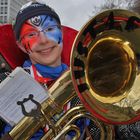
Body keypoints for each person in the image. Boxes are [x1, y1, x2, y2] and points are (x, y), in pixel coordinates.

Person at [0, 1, 91, 139]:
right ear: (21, 45)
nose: (43, 40)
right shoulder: (4, 85)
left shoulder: (86, 83)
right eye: (31, 34)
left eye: (49, 29)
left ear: (61, 32)